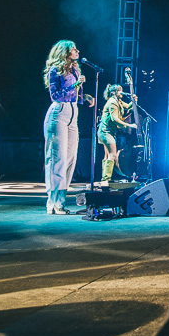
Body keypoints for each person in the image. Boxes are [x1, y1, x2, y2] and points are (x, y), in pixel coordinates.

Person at [42, 40, 94, 215]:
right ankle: (52, 203)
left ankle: (61, 202)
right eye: (73, 49)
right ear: (64, 52)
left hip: (73, 114)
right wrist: (76, 85)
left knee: (70, 159)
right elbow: (55, 95)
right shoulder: (54, 70)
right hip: (59, 113)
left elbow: (74, 94)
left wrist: (85, 96)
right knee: (57, 159)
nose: (77, 51)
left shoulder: (75, 69)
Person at [96, 84, 136, 182]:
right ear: (113, 92)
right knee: (112, 155)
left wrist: (133, 101)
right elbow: (115, 119)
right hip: (106, 131)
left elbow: (128, 107)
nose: (121, 92)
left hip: (107, 131)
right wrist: (129, 125)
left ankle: (104, 178)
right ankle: (106, 179)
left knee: (107, 155)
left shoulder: (118, 101)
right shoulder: (113, 103)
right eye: (119, 91)